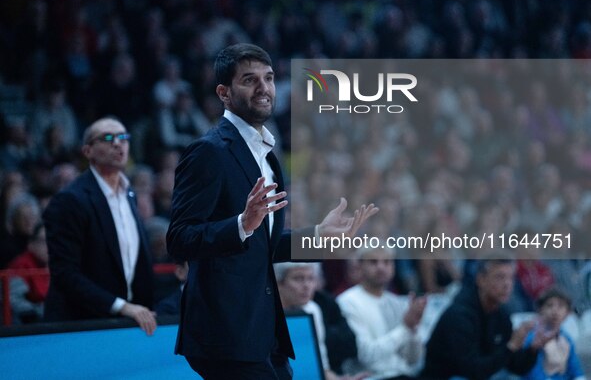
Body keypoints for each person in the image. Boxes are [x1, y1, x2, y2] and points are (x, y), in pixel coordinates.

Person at [166, 43, 377, 380]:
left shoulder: (267, 155)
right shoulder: (208, 151)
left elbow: (264, 243)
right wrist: (240, 224)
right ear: (224, 92)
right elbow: (179, 239)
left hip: (262, 328)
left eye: (269, 78)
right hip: (224, 331)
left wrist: (319, 237)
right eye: (249, 80)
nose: (264, 88)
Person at [43, 117, 157, 335]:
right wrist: (121, 306)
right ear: (88, 151)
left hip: (126, 325)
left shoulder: (129, 194)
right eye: (107, 138)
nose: (118, 143)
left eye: (123, 137)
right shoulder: (69, 200)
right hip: (80, 326)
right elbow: (65, 273)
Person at [421, 258, 555, 380]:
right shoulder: (459, 316)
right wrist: (511, 346)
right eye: (500, 277)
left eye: (511, 278)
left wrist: (532, 349)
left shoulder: (501, 314)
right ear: (481, 280)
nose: (507, 285)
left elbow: (514, 366)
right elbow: (472, 371)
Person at [337, 247, 427, 380]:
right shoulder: (348, 302)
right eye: (373, 262)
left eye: (387, 262)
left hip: (404, 375)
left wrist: (413, 329)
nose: (381, 267)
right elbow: (366, 356)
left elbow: (413, 359)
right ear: (360, 266)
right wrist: (405, 327)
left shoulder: (395, 302)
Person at [275, 262, 368, 380]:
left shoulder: (313, 309)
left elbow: (321, 364)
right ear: (279, 283)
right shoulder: (267, 313)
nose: (306, 285)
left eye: (311, 278)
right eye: (298, 278)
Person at [522, 287, 586, 380]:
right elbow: (532, 371)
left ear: (567, 313)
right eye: (549, 305)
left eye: (560, 306)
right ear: (540, 310)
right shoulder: (532, 338)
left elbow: (575, 369)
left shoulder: (567, 339)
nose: (555, 311)